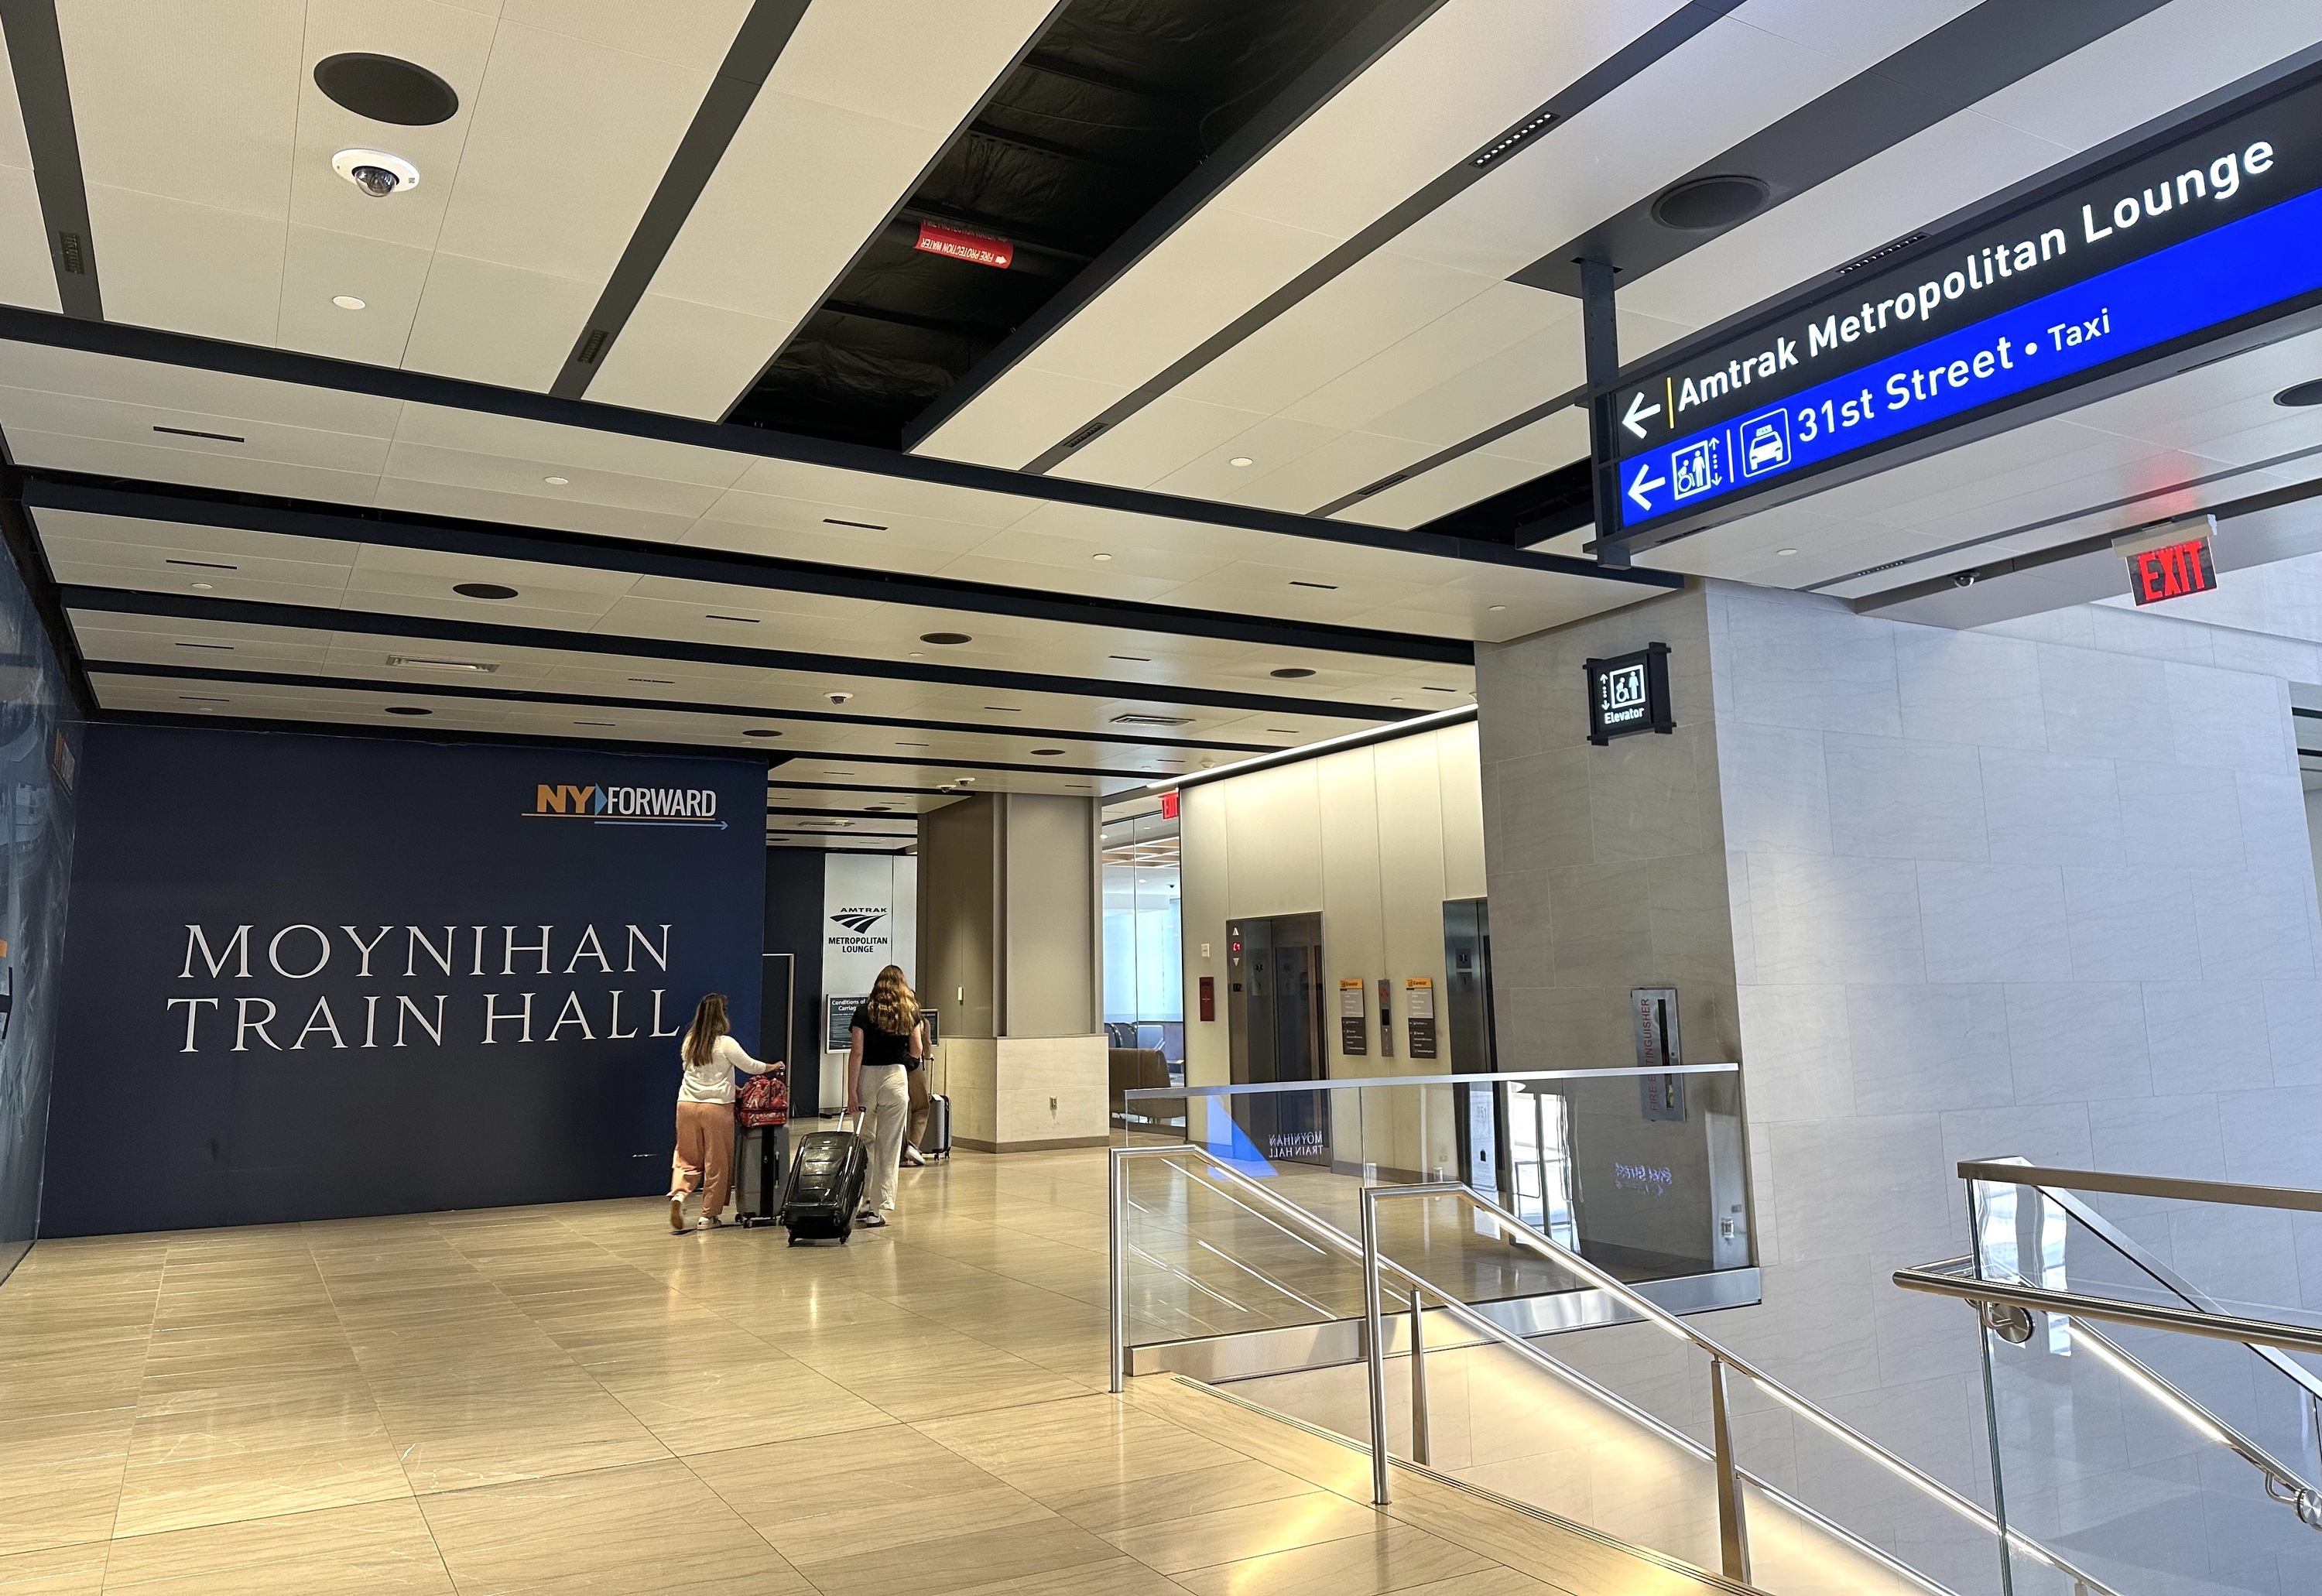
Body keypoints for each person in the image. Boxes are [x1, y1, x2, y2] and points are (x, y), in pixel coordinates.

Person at [668, 992, 775, 1234]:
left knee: (686, 1157)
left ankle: (679, 1196)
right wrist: (774, 1066)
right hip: (717, 1108)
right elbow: (752, 1066)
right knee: (716, 1161)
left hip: (686, 1104)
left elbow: (692, 1071)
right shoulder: (726, 1043)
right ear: (722, 1016)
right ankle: (708, 1216)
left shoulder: (690, 1041)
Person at [844, 964, 923, 1228]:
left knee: (866, 1140)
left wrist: (851, 1091)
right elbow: (917, 1050)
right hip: (895, 1079)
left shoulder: (863, 1013)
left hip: (867, 1076)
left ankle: (864, 1202)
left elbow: (856, 1052)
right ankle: (879, 1209)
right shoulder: (909, 1013)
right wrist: (902, 1062)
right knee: (889, 1146)